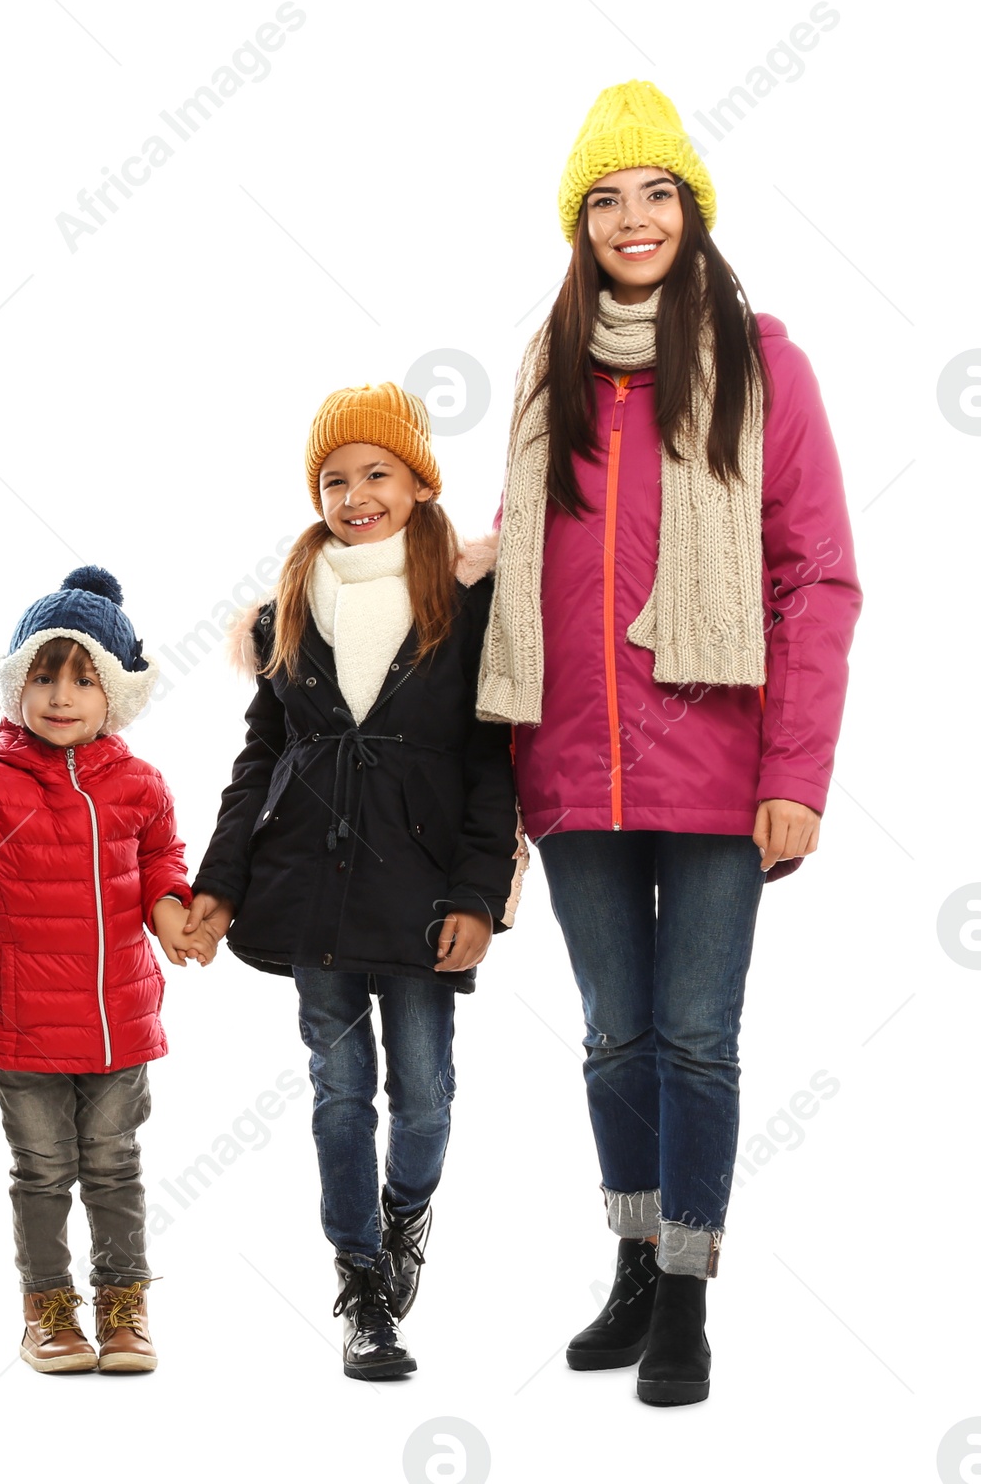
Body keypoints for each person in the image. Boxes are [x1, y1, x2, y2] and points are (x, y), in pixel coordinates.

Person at [478, 80, 861, 1406]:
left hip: (717, 772)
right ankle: (633, 1262)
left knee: (696, 1033)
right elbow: (515, 561)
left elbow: (814, 575)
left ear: (692, 211)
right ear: (578, 224)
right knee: (612, 1034)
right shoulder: (549, 376)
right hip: (573, 767)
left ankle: (688, 1290)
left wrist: (796, 775)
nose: (631, 218)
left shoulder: (763, 365)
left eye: (655, 194)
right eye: (604, 198)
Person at [185, 385, 521, 1380]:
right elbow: (262, 758)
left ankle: (404, 1213)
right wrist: (221, 879)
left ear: (421, 483)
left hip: (421, 896)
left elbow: (490, 760)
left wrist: (475, 895)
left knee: (421, 1095)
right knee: (339, 1092)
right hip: (310, 895)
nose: (353, 493)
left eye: (376, 472)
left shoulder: (466, 603)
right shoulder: (289, 603)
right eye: (333, 479)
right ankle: (362, 1280)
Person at [0, 567, 207, 1375]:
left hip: (118, 1022)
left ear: (116, 694)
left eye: (83, 678)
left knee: (116, 1165)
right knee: (43, 1171)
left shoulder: (138, 783)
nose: (61, 696)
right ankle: (48, 1310)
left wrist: (170, 903)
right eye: (44, 675)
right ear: (17, 683)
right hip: (25, 1026)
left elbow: (162, 854)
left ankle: (124, 1304)